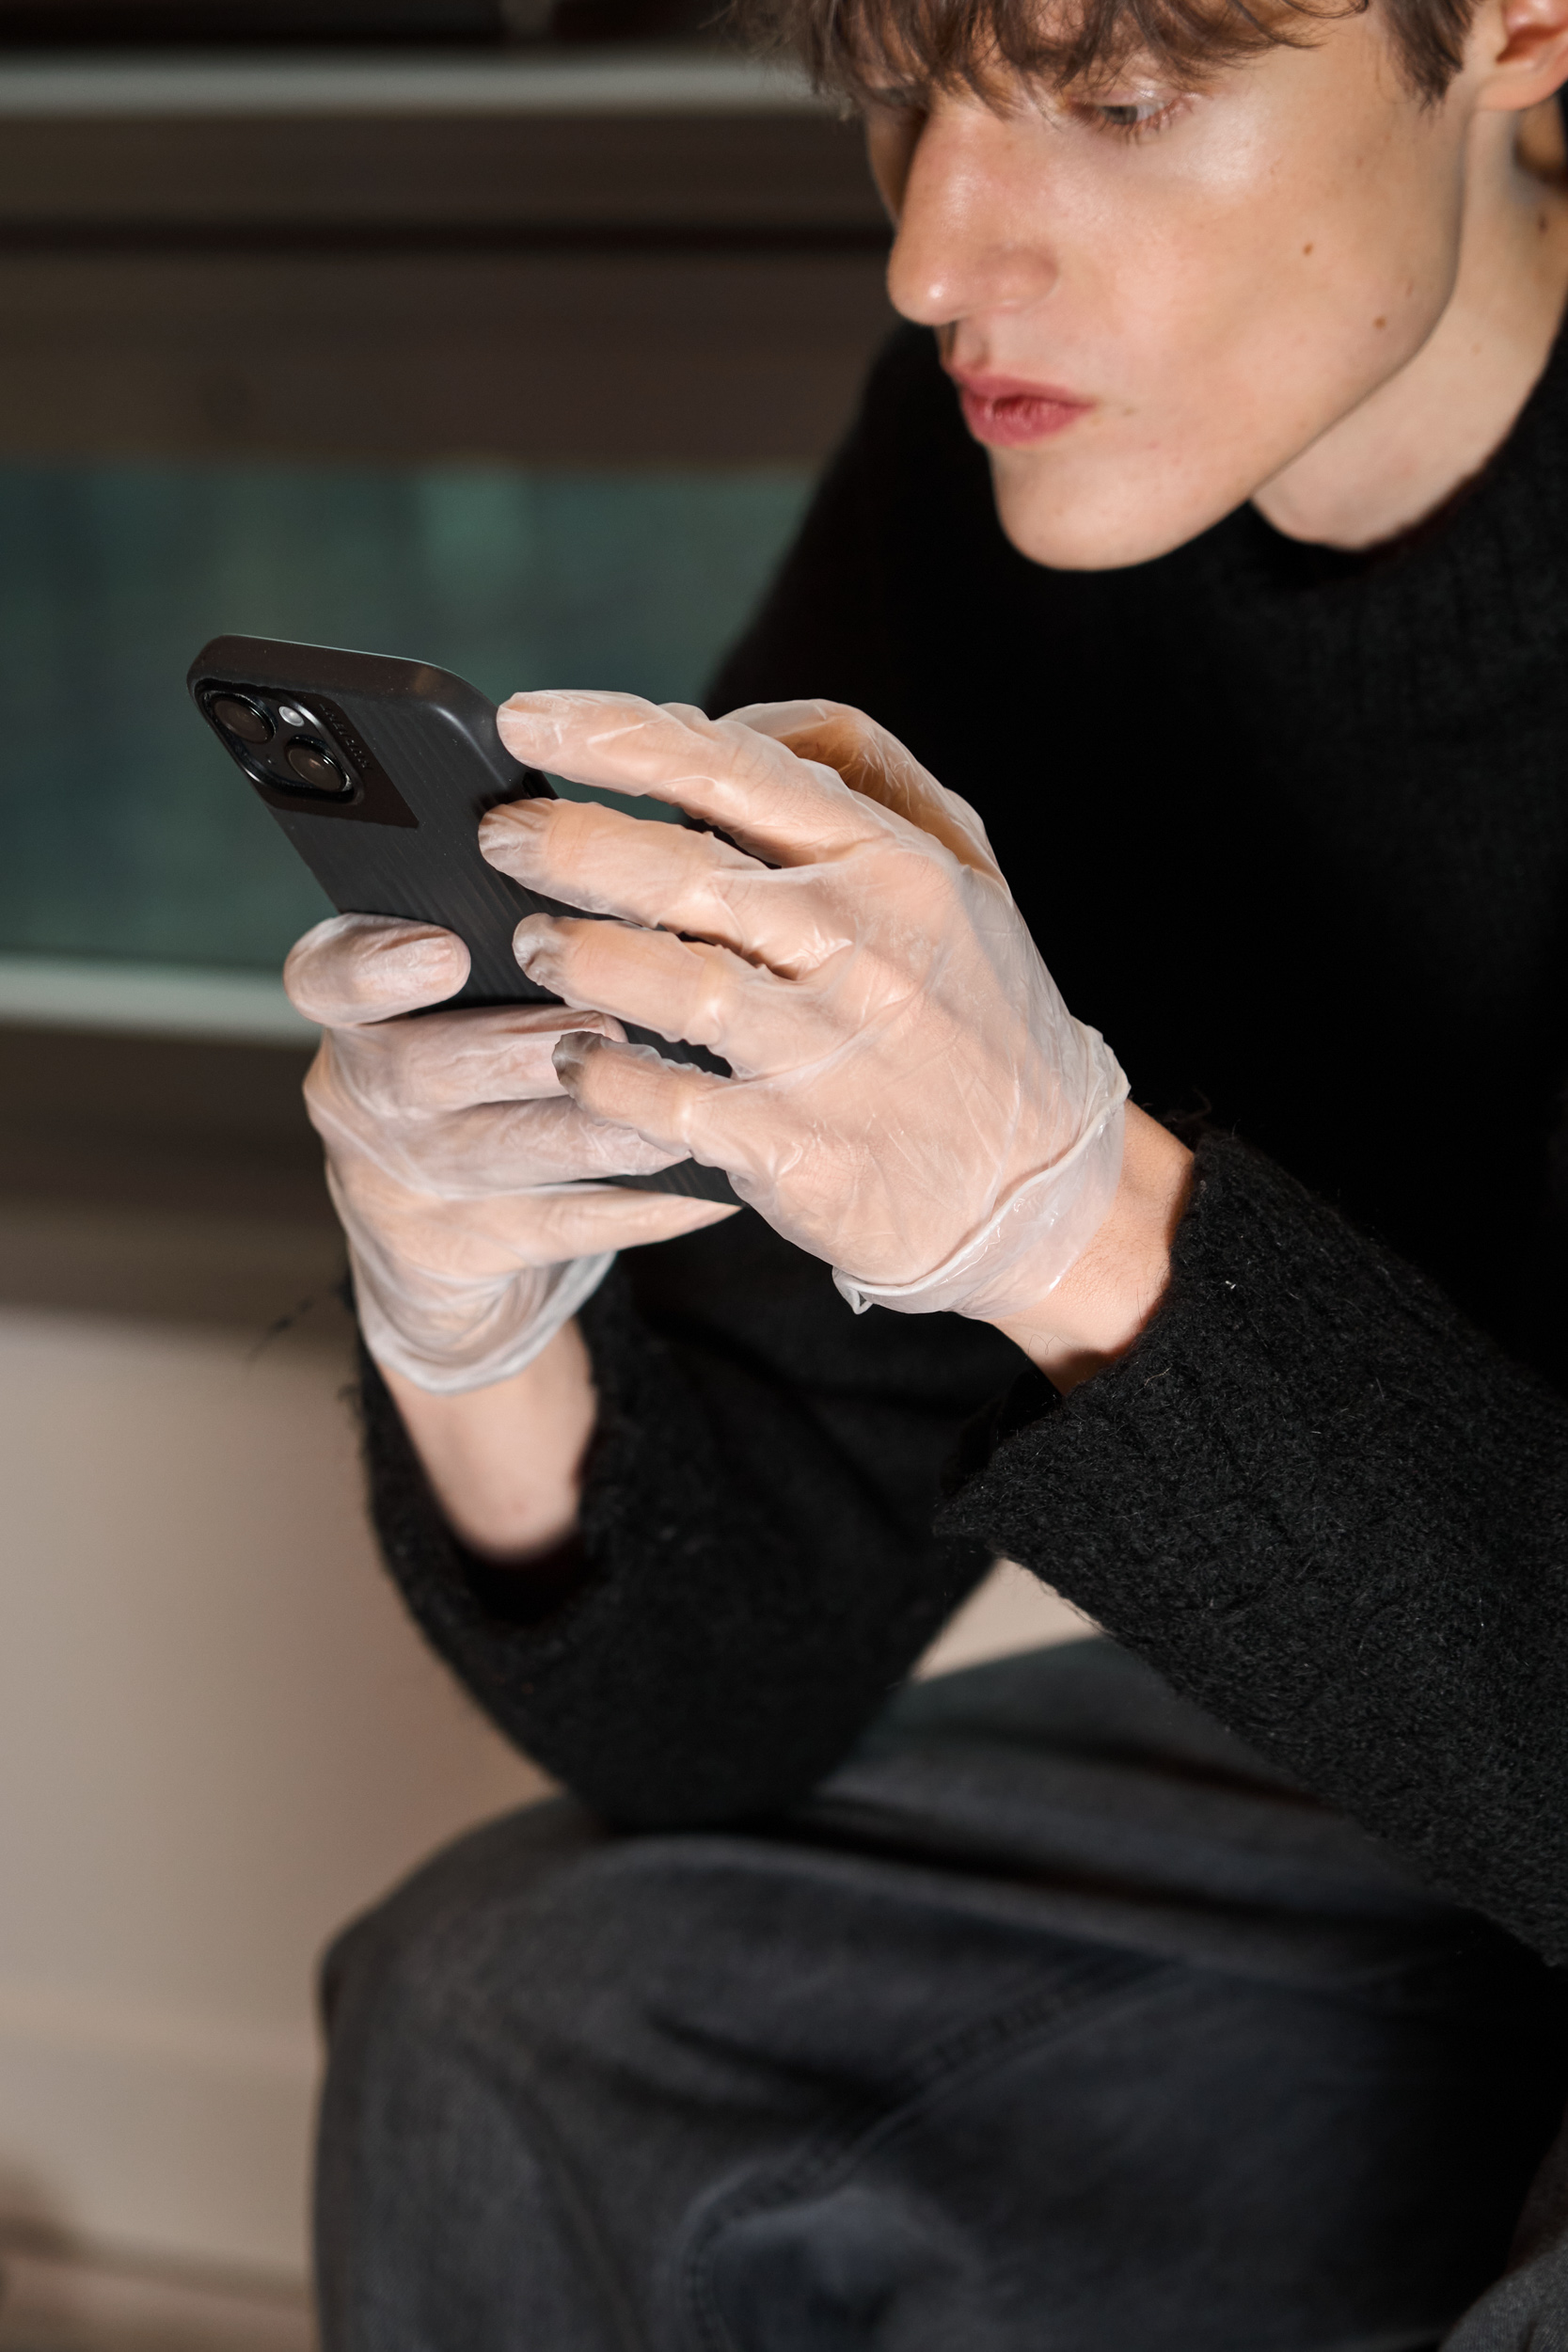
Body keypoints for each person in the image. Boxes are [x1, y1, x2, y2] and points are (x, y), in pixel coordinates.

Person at [286, 0, 1568, 2330]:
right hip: (1406, 1798)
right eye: (909, 95)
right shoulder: (994, 509)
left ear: (1510, 28)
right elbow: (712, 1713)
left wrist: (1081, 1228)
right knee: (508, 2005)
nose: (934, 253)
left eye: (1116, 96)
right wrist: (482, 1319)